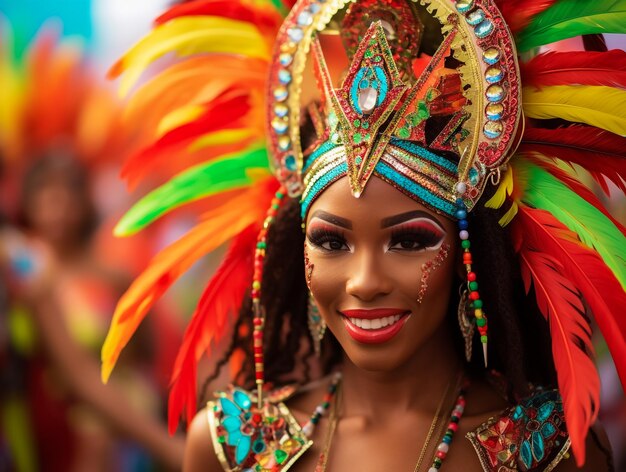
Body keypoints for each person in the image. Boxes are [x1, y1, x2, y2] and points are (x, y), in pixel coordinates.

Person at [103, 0, 626, 470]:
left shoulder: (544, 451)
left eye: (409, 241)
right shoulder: (234, 448)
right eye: (331, 243)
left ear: (471, 254)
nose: (364, 281)